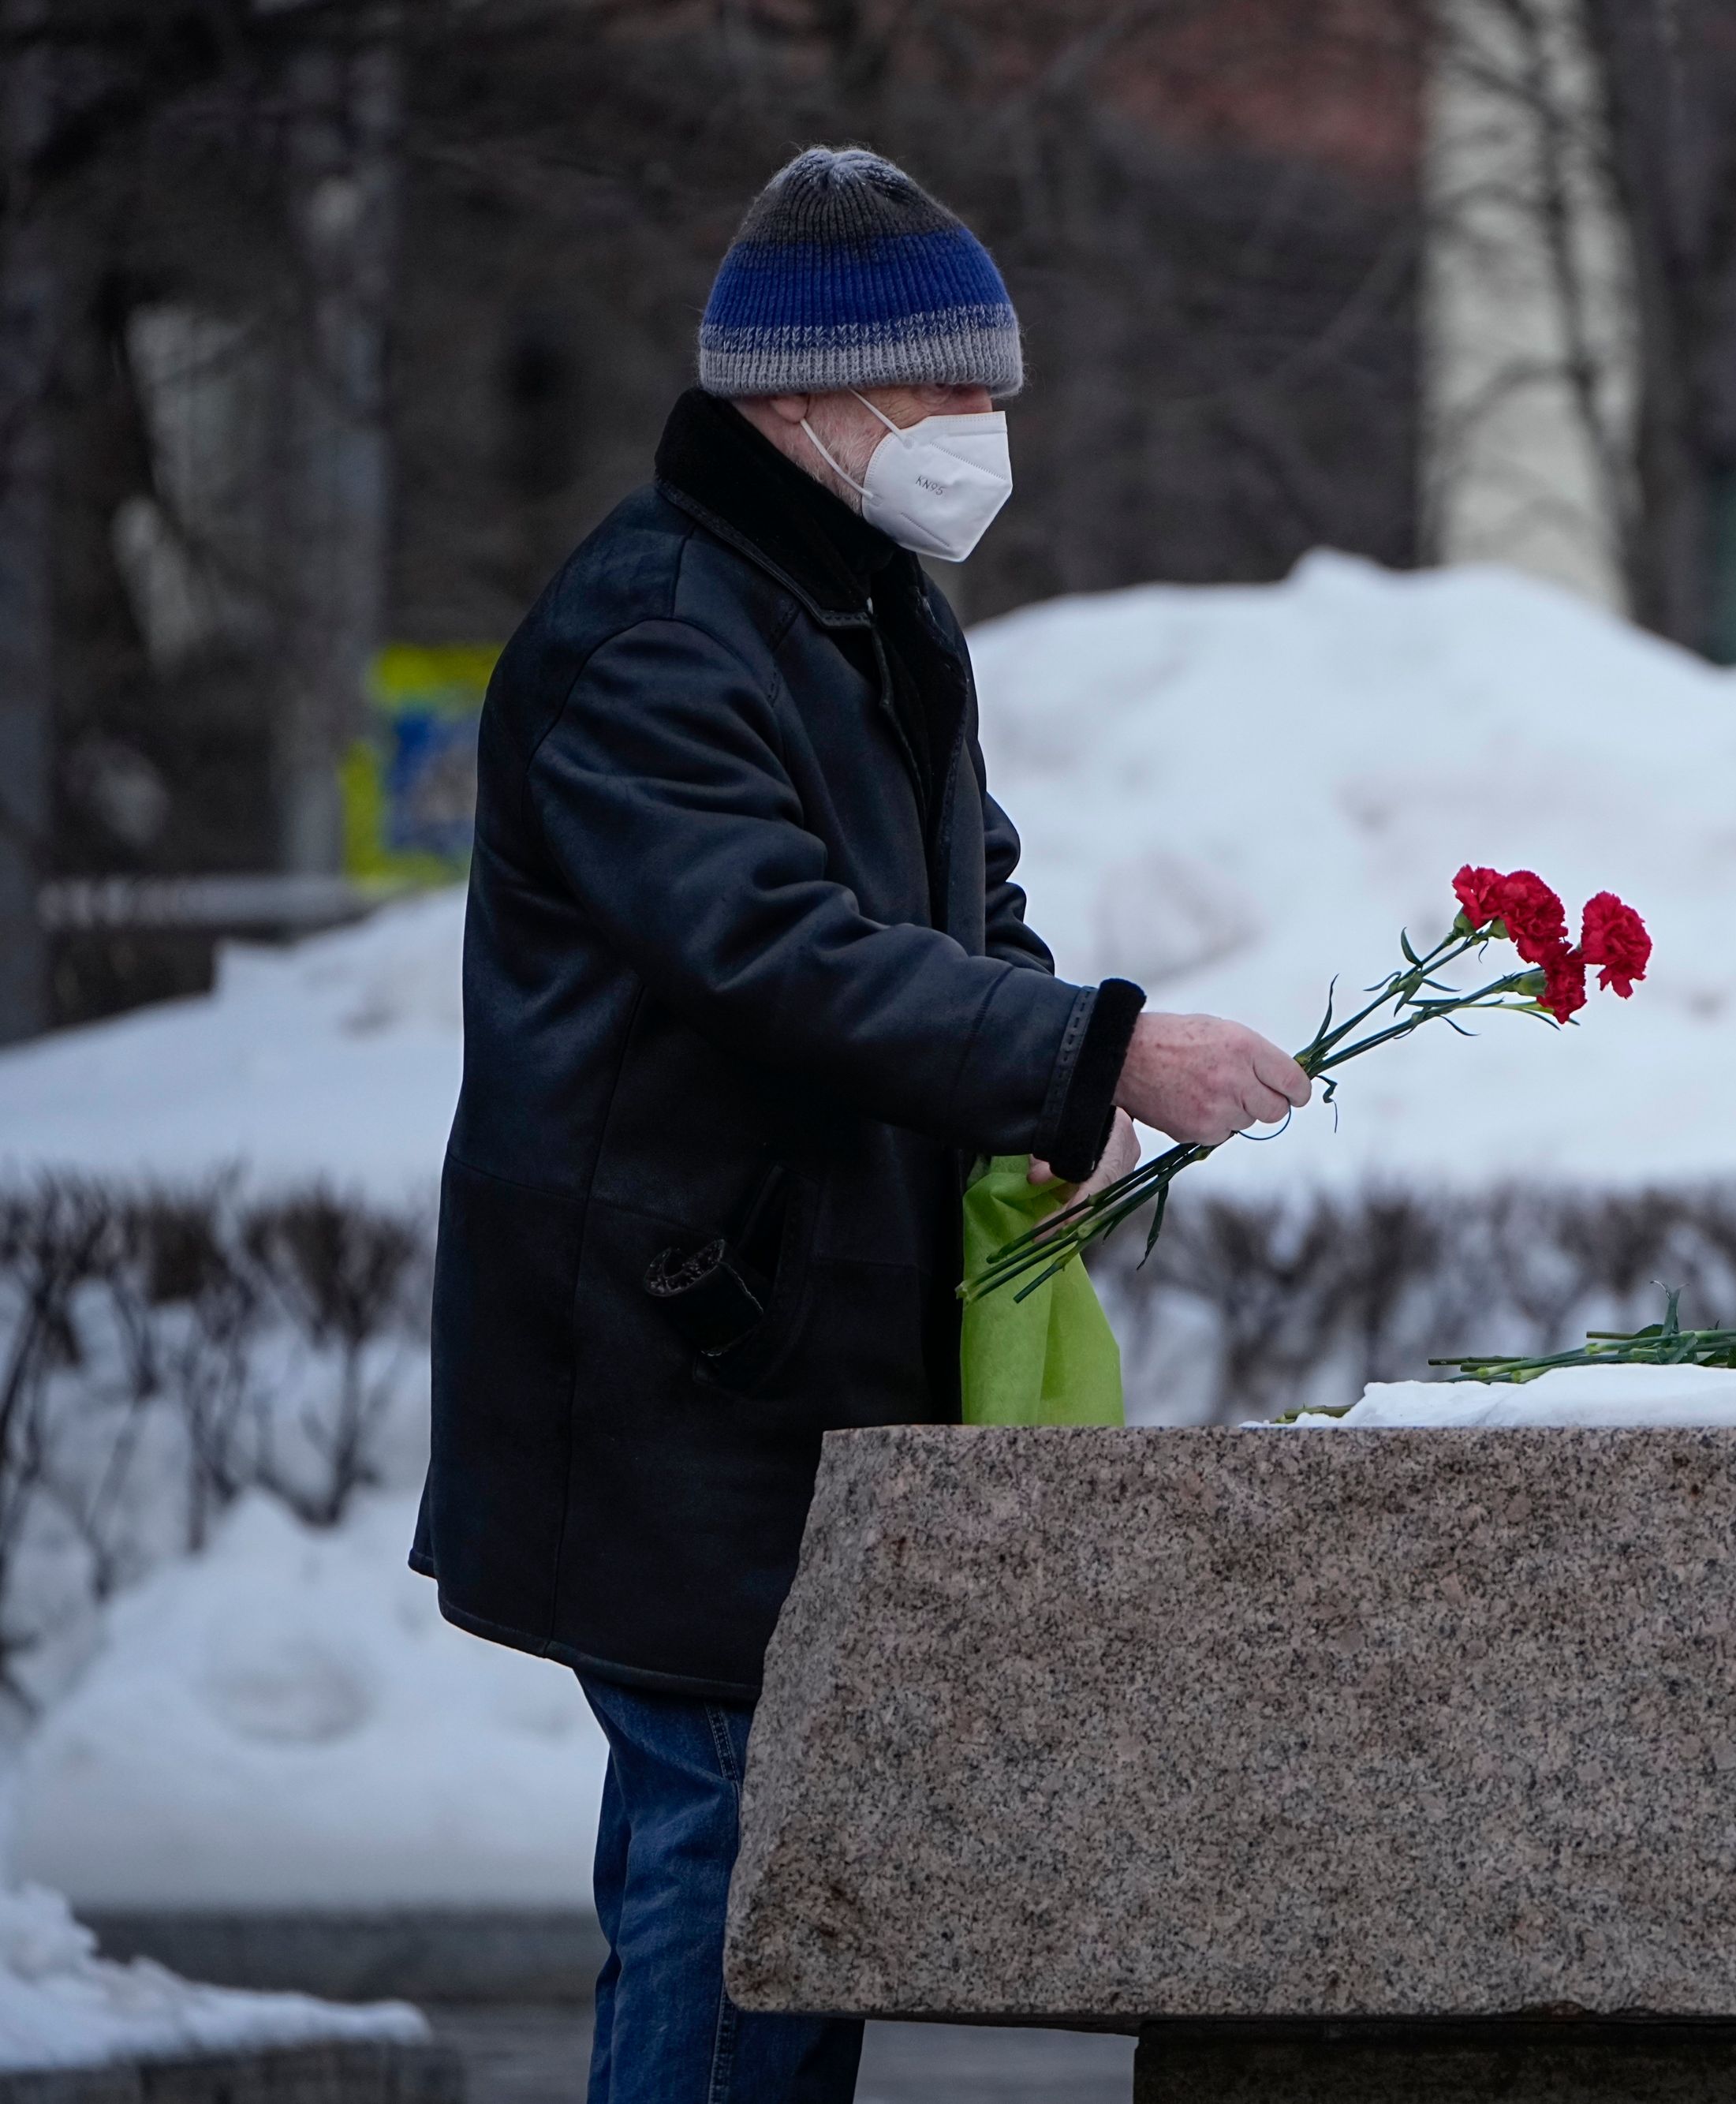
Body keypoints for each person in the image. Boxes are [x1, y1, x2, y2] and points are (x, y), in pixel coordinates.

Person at [411, 146, 1309, 2104]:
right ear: (802, 402)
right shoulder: (654, 626)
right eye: (946, 402)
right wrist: (1098, 1052)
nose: (982, 441)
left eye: (995, 399)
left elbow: (959, 894)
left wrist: (1049, 1085)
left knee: (775, 1864)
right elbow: (774, 951)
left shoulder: (859, 602)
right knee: (736, 1871)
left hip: (775, 1345)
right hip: (669, 1355)